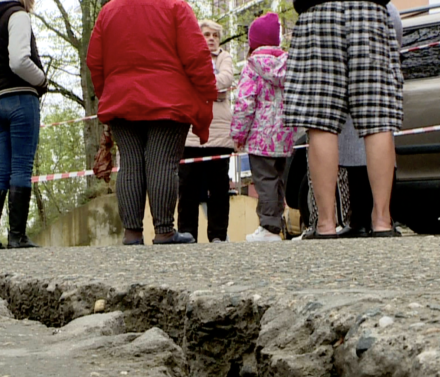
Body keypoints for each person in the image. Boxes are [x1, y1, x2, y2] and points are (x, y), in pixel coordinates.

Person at [86, 0, 217, 245]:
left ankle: (132, 233)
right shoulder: (175, 7)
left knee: (131, 164)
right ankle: (164, 231)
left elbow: (95, 60)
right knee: (163, 163)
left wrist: (107, 93)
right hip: (168, 98)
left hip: (121, 98)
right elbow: (195, 55)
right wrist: (207, 91)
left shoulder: (108, 11)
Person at [285, 0, 404, 238]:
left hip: (319, 12)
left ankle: (326, 225)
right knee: (377, 118)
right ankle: (382, 221)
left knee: (321, 121)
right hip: (371, 11)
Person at [0, 0, 47, 250]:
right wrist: (41, 80)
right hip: (19, 97)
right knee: (21, 166)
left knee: (1, 169)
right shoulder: (17, 15)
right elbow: (19, 60)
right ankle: (17, 236)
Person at [334, 3, 402, 238]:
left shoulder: (335, 8)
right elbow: (396, 40)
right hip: (375, 84)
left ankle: (358, 220)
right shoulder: (385, 8)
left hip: (350, 89)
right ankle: (382, 219)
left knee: (357, 157)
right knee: (376, 148)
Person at [231, 12, 295, 243]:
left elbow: (245, 103)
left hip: (260, 138)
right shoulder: (290, 65)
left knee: (265, 180)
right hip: (285, 136)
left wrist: (237, 135)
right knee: (278, 180)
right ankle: (276, 222)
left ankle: (268, 227)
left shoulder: (252, 66)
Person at [177, 19, 236, 243]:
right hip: (191, 136)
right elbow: (185, 84)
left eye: (215, 35)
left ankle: (218, 235)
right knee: (188, 189)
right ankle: (187, 234)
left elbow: (227, 80)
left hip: (220, 135)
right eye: (206, 34)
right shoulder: (188, 56)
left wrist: (200, 88)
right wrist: (213, 89)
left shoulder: (225, 57)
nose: (211, 39)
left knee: (219, 189)